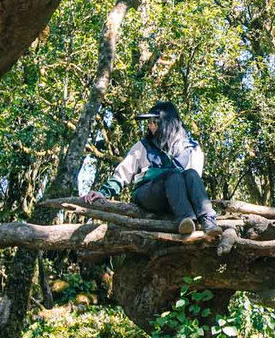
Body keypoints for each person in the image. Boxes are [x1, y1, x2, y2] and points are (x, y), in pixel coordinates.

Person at [81, 101, 220, 241]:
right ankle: (185, 221)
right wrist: (103, 192)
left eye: (154, 122)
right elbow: (123, 173)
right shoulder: (142, 146)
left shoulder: (192, 148)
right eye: (149, 122)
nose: (150, 125)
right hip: (148, 194)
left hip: (177, 198)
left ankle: (208, 220)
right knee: (173, 175)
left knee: (190, 174)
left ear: (168, 123)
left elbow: (194, 182)